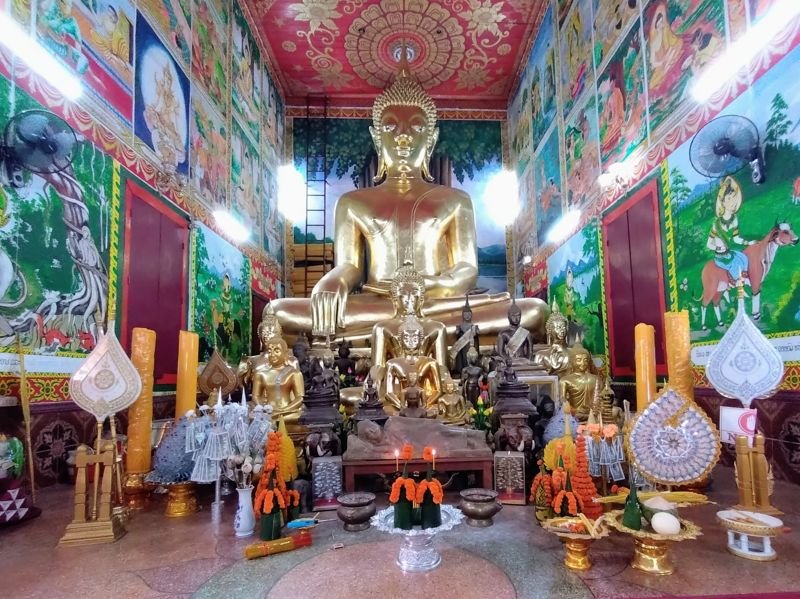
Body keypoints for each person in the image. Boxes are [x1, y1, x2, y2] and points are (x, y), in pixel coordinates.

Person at [267, 56, 549, 342]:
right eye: (390, 127)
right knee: (277, 312)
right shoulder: (353, 202)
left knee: (534, 310)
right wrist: (332, 281)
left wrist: (431, 286)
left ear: (431, 138)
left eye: (415, 127)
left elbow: (466, 269)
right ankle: (397, 332)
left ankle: (381, 335)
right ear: (376, 138)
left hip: (436, 304)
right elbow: (349, 266)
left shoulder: (456, 200)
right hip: (379, 303)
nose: (403, 137)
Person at [706, 177, 755, 283]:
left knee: (743, 258)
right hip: (721, 256)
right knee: (735, 265)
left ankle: (742, 279)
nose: (732, 203)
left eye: (733, 198)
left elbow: (736, 238)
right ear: (722, 202)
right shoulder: (716, 224)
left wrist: (748, 242)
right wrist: (718, 247)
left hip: (730, 252)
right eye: (728, 199)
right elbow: (709, 244)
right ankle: (735, 284)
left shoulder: (734, 219)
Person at [647, 2, 687, 95]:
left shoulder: (665, 32)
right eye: (659, 23)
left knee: (678, 45)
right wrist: (662, 62)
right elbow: (653, 61)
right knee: (655, 84)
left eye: (662, 22)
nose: (661, 25)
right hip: (660, 67)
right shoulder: (654, 40)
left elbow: (675, 42)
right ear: (656, 24)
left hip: (668, 58)